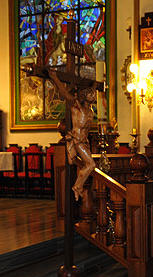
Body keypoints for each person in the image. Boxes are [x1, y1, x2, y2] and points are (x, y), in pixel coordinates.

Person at [49, 70, 97, 201]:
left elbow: (92, 88)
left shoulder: (90, 109)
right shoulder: (76, 106)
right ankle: (77, 187)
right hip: (77, 141)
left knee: (80, 163)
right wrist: (55, 78)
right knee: (91, 165)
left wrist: (94, 85)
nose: (93, 96)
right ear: (83, 95)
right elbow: (64, 93)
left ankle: (78, 185)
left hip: (85, 141)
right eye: (90, 94)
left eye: (93, 94)